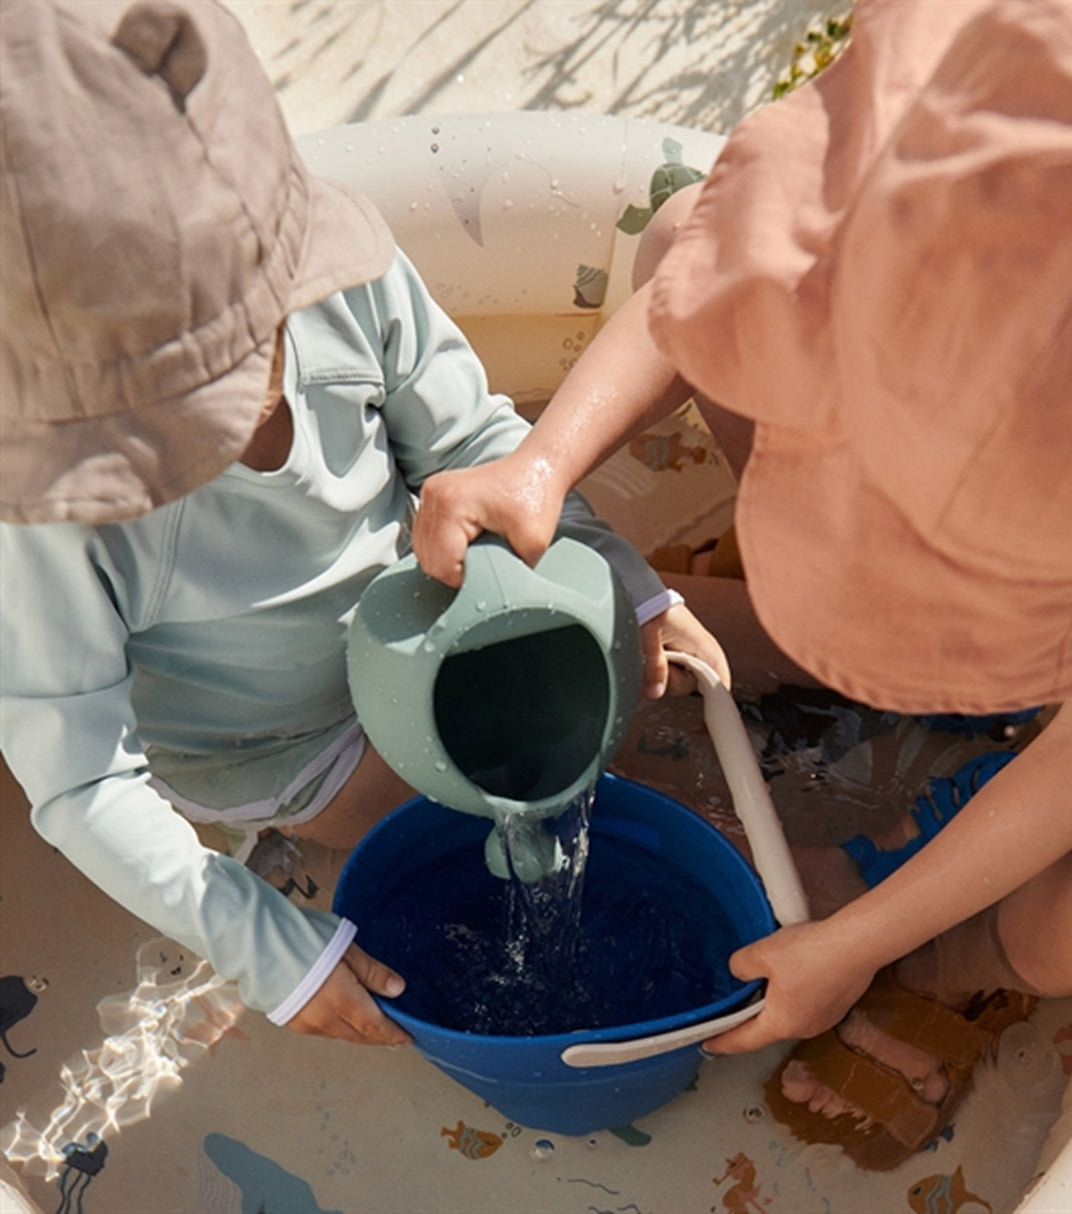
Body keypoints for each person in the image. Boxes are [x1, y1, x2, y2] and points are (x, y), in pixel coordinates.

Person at [410, 0, 1072, 1167]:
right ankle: (825, 651)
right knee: (679, 234)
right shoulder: (907, 181)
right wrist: (542, 462)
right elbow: (695, 282)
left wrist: (861, 941)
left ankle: (959, 957)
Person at [0, 0, 725, 1047]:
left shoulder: (341, 283)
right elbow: (81, 781)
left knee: (668, 657)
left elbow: (478, 444)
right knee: (560, 816)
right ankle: (781, 884)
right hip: (290, 746)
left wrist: (623, 578)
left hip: (434, 602)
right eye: (181, 386)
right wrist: (270, 948)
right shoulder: (48, 517)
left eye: (254, 329)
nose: (252, 374)